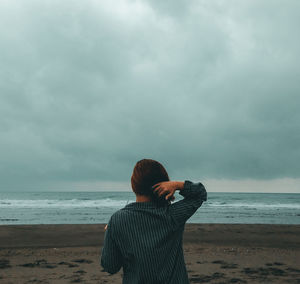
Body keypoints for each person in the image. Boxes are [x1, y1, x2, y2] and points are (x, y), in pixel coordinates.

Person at [100, 159, 207, 284]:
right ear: (163, 184)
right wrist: (177, 185)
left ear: (133, 184)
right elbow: (200, 193)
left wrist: (111, 233)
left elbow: (110, 267)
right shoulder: (172, 215)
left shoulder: (117, 220)